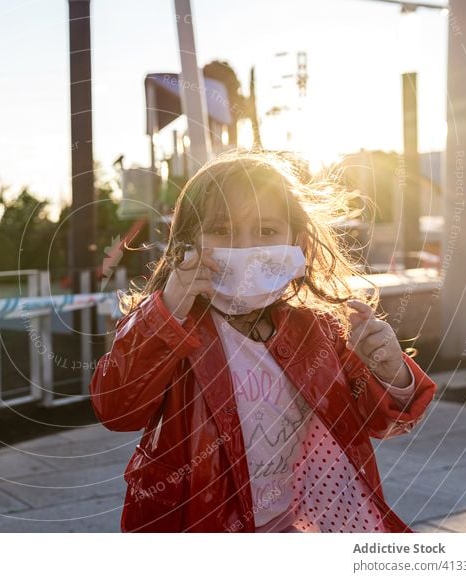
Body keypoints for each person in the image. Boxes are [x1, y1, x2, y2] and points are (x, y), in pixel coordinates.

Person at [89, 150, 436, 533]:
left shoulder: (319, 329)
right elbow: (117, 409)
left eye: (267, 231)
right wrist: (167, 311)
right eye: (221, 229)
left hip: (295, 525)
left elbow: (380, 423)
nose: (245, 249)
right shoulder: (168, 325)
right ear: (189, 241)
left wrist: (390, 369)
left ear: (297, 243)